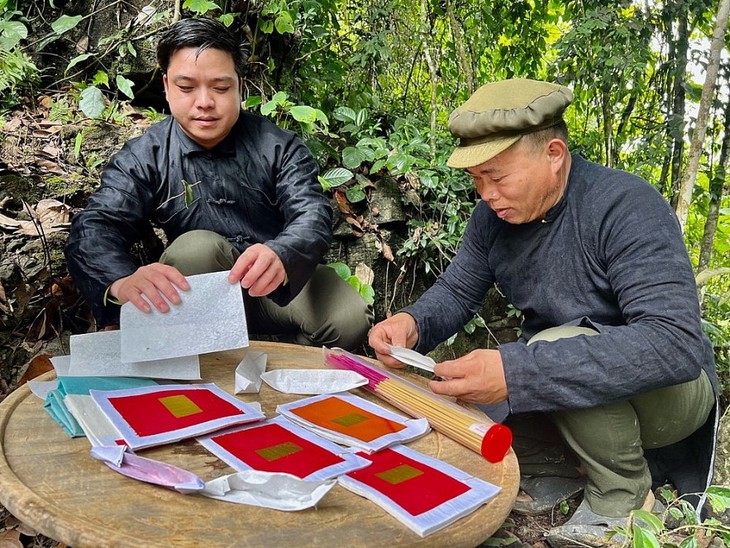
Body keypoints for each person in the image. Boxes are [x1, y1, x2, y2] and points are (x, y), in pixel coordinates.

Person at [368, 78, 718, 546]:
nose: (486, 195)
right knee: (468, 415)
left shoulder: (626, 206)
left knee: (542, 351)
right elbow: (456, 291)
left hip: (671, 397)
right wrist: (411, 324)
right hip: (571, 389)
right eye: (476, 181)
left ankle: (624, 498)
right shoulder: (491, 220)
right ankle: (564, 468)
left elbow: (673, 344)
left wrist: (517, 372)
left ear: (554, 154)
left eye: (498, 177)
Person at [65, 17, 372, 351]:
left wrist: (281, 253)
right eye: (186, 87)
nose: (204, 102)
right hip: (194, 293)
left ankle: (287, 379)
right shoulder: (145, 156)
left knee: (348, 317)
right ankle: (206, 373)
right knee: (196, 248)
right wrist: (122, 279)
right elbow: (95, 226)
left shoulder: (279, 146)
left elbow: (311, 213)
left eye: (220, 88)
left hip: (274, 286)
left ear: (240, 86)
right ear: (166, 87)